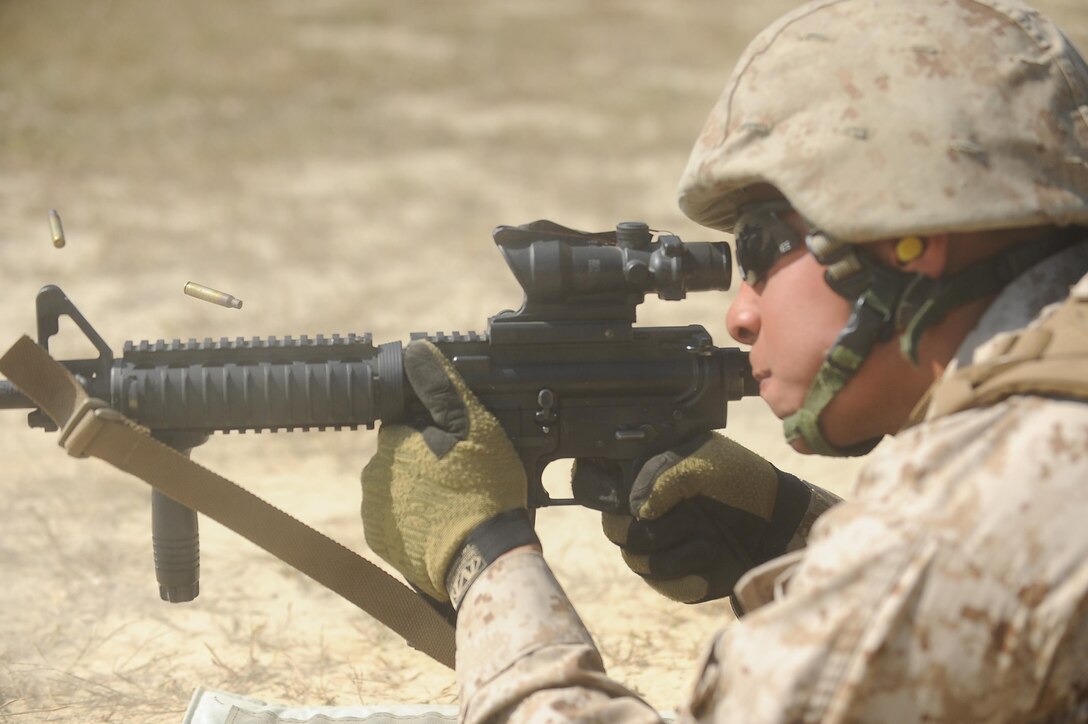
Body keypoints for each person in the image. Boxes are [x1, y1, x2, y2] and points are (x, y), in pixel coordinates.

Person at [360, 0, 1088, 720]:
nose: (739, 315)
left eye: (763, 247)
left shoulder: (959, 526)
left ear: (906, 236)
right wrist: (796, 536)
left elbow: (952, 560)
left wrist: (485, 560)